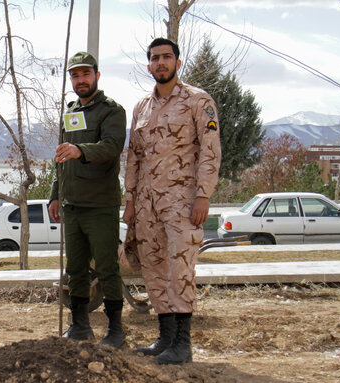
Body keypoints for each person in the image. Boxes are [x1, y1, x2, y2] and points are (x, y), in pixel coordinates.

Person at [123, 38, 221, 365]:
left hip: (183, 201)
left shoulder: (198, 101)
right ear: (149, 64)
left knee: (180, 268)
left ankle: (183, 343)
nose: (160, 63)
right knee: (153, 267)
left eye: (166, 57)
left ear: (177, 63)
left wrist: (203, 195)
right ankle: (165, 337)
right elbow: (134, 157)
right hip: (148, 203)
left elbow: (210, 151)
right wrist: (131, 201)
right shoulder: (141, 108)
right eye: (154, 58)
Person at [49, 51, 127, 348]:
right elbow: (61, 157)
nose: (80, 80)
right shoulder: (69, 111)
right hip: (72, 205)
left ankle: (116, 330)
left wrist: (81, 151)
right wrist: (56, 194)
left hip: (99, 204)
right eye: (75, 75)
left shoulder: (111, 111)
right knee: (76, 269)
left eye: (85, 74)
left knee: (107, 267)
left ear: (97, 75)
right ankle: (80, 325)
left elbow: (111, 147)